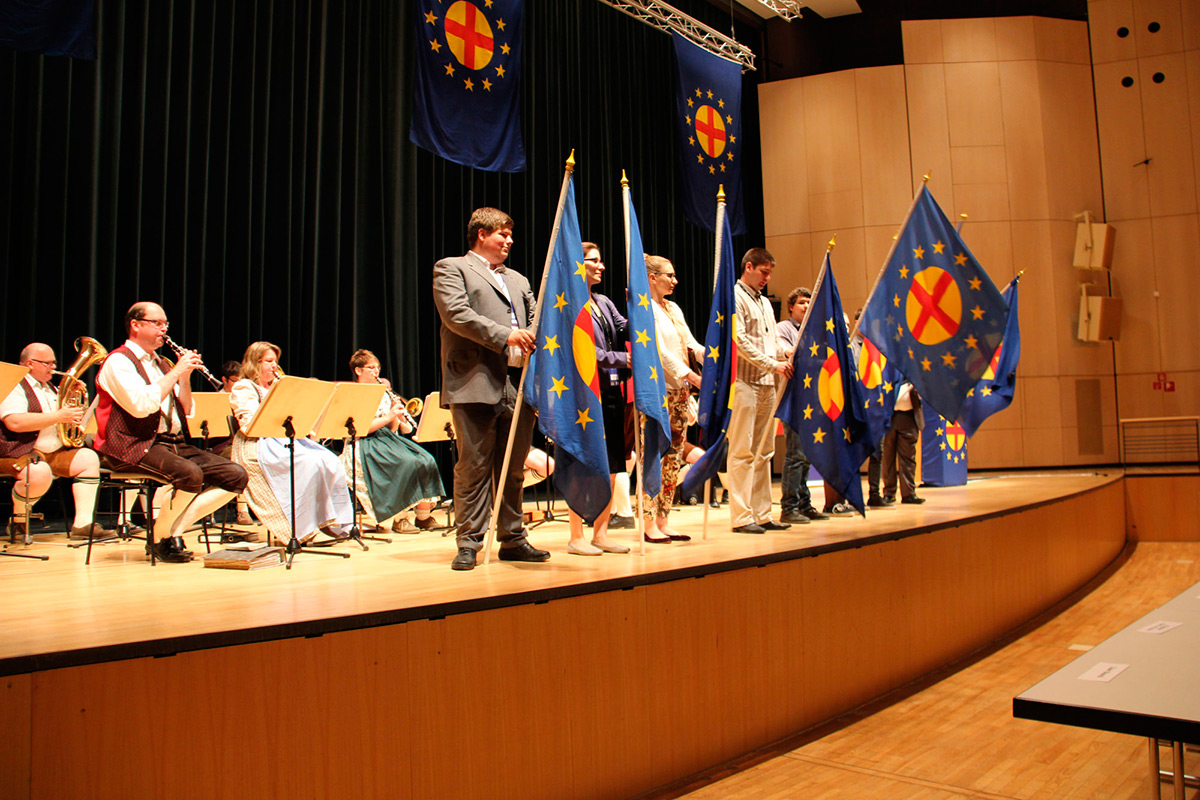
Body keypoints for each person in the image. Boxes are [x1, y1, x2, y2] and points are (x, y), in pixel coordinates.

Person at [432, 206, 549, 571]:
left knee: (514, 467)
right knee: (474, 465)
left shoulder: (519, 279)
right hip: (474, 379)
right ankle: (469, 542)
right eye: (503, 234)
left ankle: (512, 539)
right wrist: (505, 335)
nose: (510, 241)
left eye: (511, 235)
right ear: (482, 234)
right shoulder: (451, 268)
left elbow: (536, 319)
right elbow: (457, 315)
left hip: (518, 383)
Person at [94, 302, 248, 562]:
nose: (164, 329)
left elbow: (186, 410)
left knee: (236, 475)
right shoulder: (118, 361)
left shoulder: (161, 365)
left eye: (165, 323)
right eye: (157, 323)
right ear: (135, 325)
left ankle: (169, 531)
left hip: (169, 443)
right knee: (190, 474)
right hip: (131, 443)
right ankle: (161, 539)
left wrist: (184, 377)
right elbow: (141, 407)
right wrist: (176, 371)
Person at [228, 341, 354, 545]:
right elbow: (249, 424)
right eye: (268, 361)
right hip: (258, 442)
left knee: (329, 460)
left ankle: (326, 521)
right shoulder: (244, 387)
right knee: (307, 463)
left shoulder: (276, 387)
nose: (274, 366)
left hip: (283, 439)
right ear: (255, 363)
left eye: (275, 361)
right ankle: (304, 528)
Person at [0, 343, 116, 541]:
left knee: (88, 458)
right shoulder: (15, 386)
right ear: (30, 363)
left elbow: (64, 421)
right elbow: (14, 422)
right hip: (18, 451)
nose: (53, 367)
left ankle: (83, 525)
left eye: (53, 363)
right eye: (47, 363)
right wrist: (60, 416)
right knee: (39, 472)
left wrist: (79, 416)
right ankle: (19, 519)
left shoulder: (53, 389)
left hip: (53, 452)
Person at [566, 243, 632, 555]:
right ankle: (576, 536)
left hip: (611, 391)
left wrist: (639, 305)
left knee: (613, 463)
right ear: (579, 264)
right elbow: (583, 351)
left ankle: (601, 533)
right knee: (582, 464)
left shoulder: (603, 301)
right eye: (595, 260)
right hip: (583, 396)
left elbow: (626, 329)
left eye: (601, 260)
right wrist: (622, 359)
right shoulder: (569, 304)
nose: (602, 266)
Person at [343, 349, 444, 533]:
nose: (376, 372)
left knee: (425, 460)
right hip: (364, 442)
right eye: (371, 368)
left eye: (377, 368)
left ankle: (423, 517)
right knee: (404, 463)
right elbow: (359, 428)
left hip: (386, 438)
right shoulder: (354, 394)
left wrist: (398, 415)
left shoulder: (383, 393)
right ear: (358, 370)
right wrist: (388, 416)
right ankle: (400, 519)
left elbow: (397, 429)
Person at [728, 248, 792, 534]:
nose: (767, 278)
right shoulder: (734, 296)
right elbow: (739, 340)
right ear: (749, 267)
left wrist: (786, 353)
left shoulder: (765, 302)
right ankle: (741, 517)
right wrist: (773, 364)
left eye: (770, 273)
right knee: (742, 450)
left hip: (767, 383)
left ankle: (762, 514)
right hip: (744, 382)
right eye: (764, 272)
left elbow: (771, 340)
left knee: (765, 451)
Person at [641, 255, 704, 543]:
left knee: (674, 457)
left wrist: (711, 355)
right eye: (670, 275)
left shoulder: (673, 308)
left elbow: (690, 343)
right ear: (652, 278)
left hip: (680, 391)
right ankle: (647, 520)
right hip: (658, 391)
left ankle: (663, 518)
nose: (675, 281)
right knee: (653, 456)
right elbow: (659, 351)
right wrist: (692, 376)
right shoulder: (644, 307)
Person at [774, 288, 828, 525]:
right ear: (791, 307)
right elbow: (790, 355)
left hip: (814, 399)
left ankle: (804, 504)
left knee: (806, 456)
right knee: (795, 454)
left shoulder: (816, 331)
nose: (806, 306)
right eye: (802, 303)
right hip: (794, 400)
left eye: (809, 303)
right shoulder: (784, 329)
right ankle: (789, 507)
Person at [881, 381, 925, 505]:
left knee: (908, 457)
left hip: (909, 416)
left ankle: (908, 494)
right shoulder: (888, 372)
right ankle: (889, 493)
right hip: (889, 416)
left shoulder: (913, 372)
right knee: (888, 457)